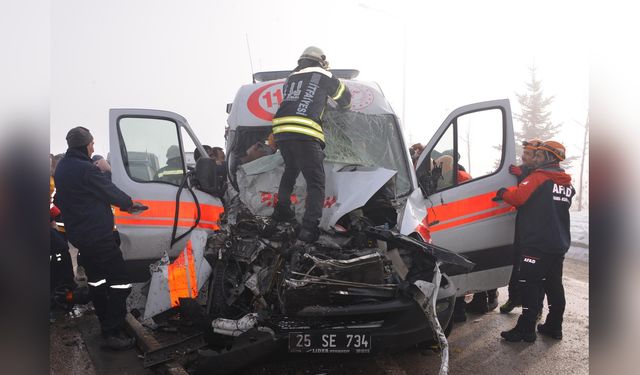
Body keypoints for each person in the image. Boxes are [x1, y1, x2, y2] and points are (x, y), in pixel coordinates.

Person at [54, 126, 146, 350]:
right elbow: (109, 191)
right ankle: (112, 331)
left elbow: (69, 197)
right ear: (86, 145)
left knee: (97, 281)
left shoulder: (63, 167)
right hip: (98, 236)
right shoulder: (87, 169)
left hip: (81, 237)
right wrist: (130, 204)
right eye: (92, 143)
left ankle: (105, 319)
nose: (94, 147)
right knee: (122, 283)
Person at [270, 46, 351, 243]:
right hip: (304, 132)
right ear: (320, 61)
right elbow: (345, 100)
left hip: (281, 131)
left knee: (291, 170)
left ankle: (281, 210)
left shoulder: (291, 78)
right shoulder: (323, 74)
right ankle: (309, 228)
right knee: (316, 183)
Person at [495, 140, 573, 342]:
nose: (535, 159)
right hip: (558, 243)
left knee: (529, 284)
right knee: (554, 285)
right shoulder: (566, 183)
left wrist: (503, 192)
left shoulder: (539, 177)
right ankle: (554, 326)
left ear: (549, 158)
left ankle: (526, 329)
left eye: (539, 156)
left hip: (537, 243)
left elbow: (519, 197)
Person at [500, 139, 542, 313]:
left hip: (535, 227)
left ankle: (535, 308)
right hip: (521, 223)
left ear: (537, 157)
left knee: (532, 269)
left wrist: (521, 177)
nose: (524, 157)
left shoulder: (540, 174)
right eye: (523, 153)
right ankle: (514, 298)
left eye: (528, 154)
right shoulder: (520, 170)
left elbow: (529, 196)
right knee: (516, 262)